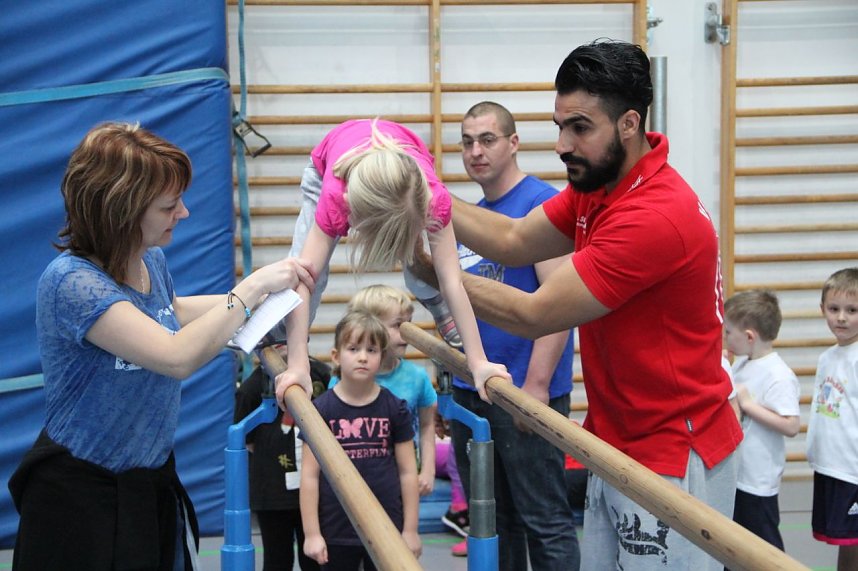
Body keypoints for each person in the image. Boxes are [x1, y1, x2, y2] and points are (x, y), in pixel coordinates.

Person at [408, 40, 742, 569]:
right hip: (617, 437)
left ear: (629, 124)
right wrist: (424, 194)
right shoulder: (602, 184)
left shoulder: (653, 214)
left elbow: (534, 313)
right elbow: (515, 240)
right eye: (560, 124)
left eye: (579, 127)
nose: (563, 144)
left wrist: (433, 271)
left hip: (675, 449)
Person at [7, 122, 315, 571]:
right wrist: (249, 291)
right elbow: (176, 355)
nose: (184, 213)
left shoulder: (147, 256)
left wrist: (268, 309)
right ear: (121, 210)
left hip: (147, 478)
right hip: (80, 492)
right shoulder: (71, 283)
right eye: (169, 205)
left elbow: (171, 312)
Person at [274, 118, 510, 409]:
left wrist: (478, 361)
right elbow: (303, 279)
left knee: (421, 260)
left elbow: (452, 279)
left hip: (401, 181)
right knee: (309, 272)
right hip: (327, 169)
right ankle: (288, 332)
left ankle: (434, 302)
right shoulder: (336, 197)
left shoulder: (434, 199)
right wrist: (298, 364)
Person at [436, 101, 581, 569]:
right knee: (493, 526)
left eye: (487, 139)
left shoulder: (539, 205)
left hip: (523, 390)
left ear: (513, 143)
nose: (475, 151)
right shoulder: (474, 217)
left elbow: (561, 305)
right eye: (467, 141)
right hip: (474, 391)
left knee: (544, 520)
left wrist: (536, 386)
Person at [299, 310, 422, 569]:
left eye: (372, 350)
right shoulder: (320, 411)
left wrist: (410, 530)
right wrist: (312, 533)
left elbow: (408, 472)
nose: (363, 357)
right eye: (353, 348)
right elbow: (310, 476)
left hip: (387, 526)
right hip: (337, 527)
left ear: (382, 357)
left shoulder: (394, 407)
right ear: (336, 356)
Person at [328, 285, 438, 496]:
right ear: (371, 328)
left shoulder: (417, 377)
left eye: (409, 325)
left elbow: (427, 425)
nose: (407, 334)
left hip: (402, 475)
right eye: (399, 326)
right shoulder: (344, 380)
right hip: (357, 477)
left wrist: (428, 470)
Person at [234, 348, 332, 571]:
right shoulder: (252, 387)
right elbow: (245, 439)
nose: (278, 342)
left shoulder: (319, 374)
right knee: (277, 558)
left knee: (316, 559)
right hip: (272, 494)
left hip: (315, 491)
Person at [723, 290, 800, 553]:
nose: (724, 337)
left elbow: (791, 425)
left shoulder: (779, 375)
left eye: (728, 332)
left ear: (749, 337)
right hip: (738, 475)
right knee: (732, 543)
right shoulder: (742, 365)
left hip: (758, 480)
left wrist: (748, 405)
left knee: (764, 547)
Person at [807, 267, 858, 571]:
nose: (841, 317)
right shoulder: (828, 357)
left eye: (852, 310)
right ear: (822, 309)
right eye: (834, 309)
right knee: (846, 540)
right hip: (832, 465)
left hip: (853, 468)